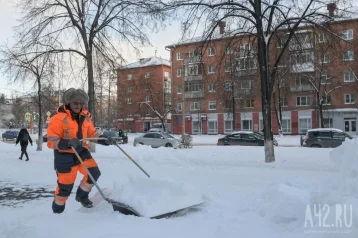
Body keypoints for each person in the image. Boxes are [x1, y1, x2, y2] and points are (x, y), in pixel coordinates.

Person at [47, 88, 117, 214]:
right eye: (75, 103)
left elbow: (92, 133)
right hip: (64, 156)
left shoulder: (86, 117)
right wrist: (67, 143)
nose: (78, 106)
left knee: (93, 173)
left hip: (81, 151)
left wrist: (103, 139)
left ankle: (82, 196)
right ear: (68, 103)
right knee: (65, 188)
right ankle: (57, 210)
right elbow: (51, 141)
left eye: (81, 103)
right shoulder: (58, 119)